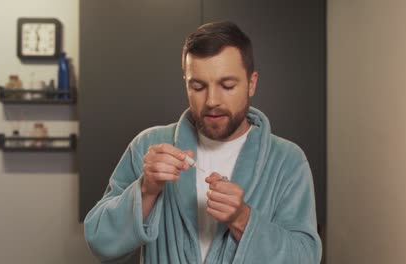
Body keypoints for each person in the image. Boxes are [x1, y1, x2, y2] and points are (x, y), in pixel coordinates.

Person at [84, 21, 322, 264]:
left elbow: (304, 257)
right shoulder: (149, 146)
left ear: (251, 83)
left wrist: (242, 219)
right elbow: (101, 243)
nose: (212, 101)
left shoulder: (287, 160)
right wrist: (146, 190)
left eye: (227, 86)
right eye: (197, 87)